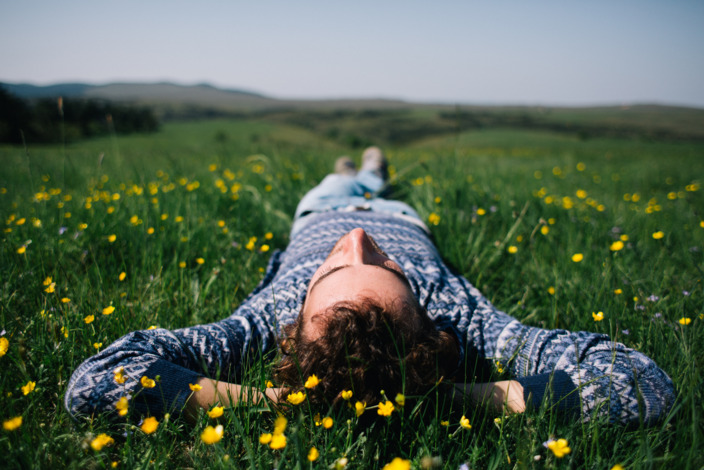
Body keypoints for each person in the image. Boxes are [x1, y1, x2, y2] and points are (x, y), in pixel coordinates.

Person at [64, 147, 675, 426]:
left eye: (332, 270)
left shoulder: (274, 310)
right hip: (404, 220)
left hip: (313, 217)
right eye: (385, 267)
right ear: (429, 317)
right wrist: (446, 398)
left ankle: (358, 173)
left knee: (337, 193)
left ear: (297, 312)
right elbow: (639, 379)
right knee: (358, 188)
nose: (356, 240)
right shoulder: (455, 315)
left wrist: (279, 406)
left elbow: (97, 381)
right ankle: (362, 173)